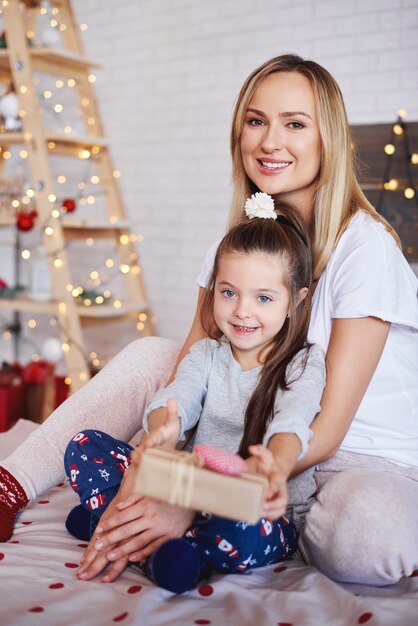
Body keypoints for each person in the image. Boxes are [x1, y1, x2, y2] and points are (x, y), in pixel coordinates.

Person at [1, 53, 417, 587]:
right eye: (256, 120)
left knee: (369, 540)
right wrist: (166, 467)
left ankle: (223, 522)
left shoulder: (365, 247)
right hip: (251, 433)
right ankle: (12, 481)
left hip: (340, 455)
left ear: (327, 140)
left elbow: (326, 426)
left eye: (294, 124)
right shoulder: (239, 240)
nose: (270, 142)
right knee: (155, 355)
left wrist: (192, 494)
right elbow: (192, 367)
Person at [63, 205, 325, 593]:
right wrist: (162, 432)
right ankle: (131, 524)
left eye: (264, 298)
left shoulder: (304, 362)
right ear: (214, 287)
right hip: (184, 491)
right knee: (85, 445)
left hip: (248, 506)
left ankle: (145, 540)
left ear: (297, 301)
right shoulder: (206, 354)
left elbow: (294, 421)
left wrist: (277, 463)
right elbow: (176, 399)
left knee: (250, 533)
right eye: (229, 292)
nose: (242, 311)